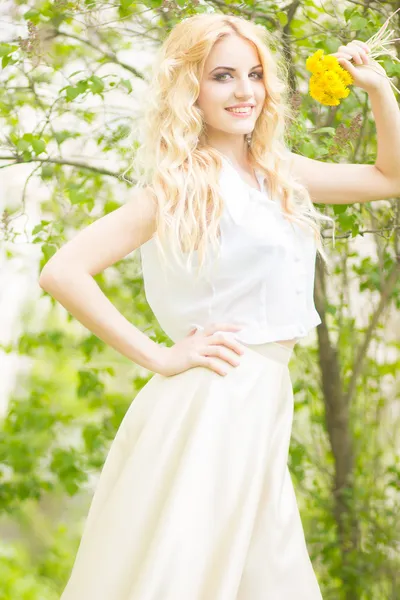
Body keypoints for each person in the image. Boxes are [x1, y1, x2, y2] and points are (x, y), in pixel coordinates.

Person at [38, 11, 400, 600]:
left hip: (261, 401)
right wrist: (160, 356)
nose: (243, 92)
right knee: (190, 578)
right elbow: (62, 271)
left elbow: (391, 176)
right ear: (190, 89)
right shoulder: (179, 185)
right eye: (222, 76)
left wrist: (379, 90)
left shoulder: (279, 174)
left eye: (254, 75)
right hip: (213, 401)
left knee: (265, 578)